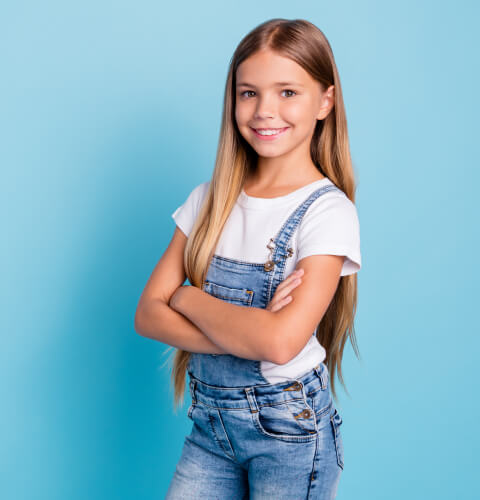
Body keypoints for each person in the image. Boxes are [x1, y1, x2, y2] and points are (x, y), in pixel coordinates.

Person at [134, 19, 362, 499]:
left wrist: (186, 297)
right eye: (248, 93)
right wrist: (242, 334)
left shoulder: (327, 213)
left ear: (325, 101)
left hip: (289, 432)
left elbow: (279, 344)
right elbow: (147, 315)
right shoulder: (209, 200)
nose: (265, 111)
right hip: (210, 427)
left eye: (287, 92)